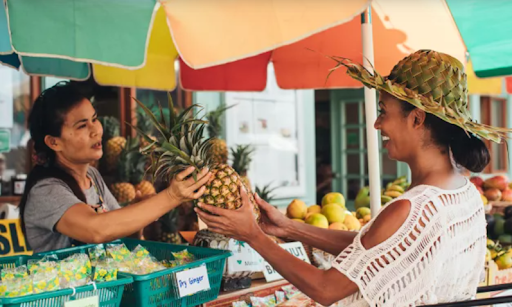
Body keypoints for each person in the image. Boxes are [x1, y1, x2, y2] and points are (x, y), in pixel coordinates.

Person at [195, 50, 501, 306]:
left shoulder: (411, 208)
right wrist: (288, 227)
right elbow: (373, 248)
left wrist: (254, 236)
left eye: (383, 111)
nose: (377, 124)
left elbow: (326, 289)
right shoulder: (466, 195)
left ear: (417, 118)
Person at [20, 82, 211, 253]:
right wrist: (172, 196)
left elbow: (117, 235)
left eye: (94, 119)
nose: (96, 130)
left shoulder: (92, 177)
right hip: (64, 292)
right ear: (54, 142)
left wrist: (144, 207)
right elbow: (97, 230)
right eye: (82, 126)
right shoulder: (45, 191)